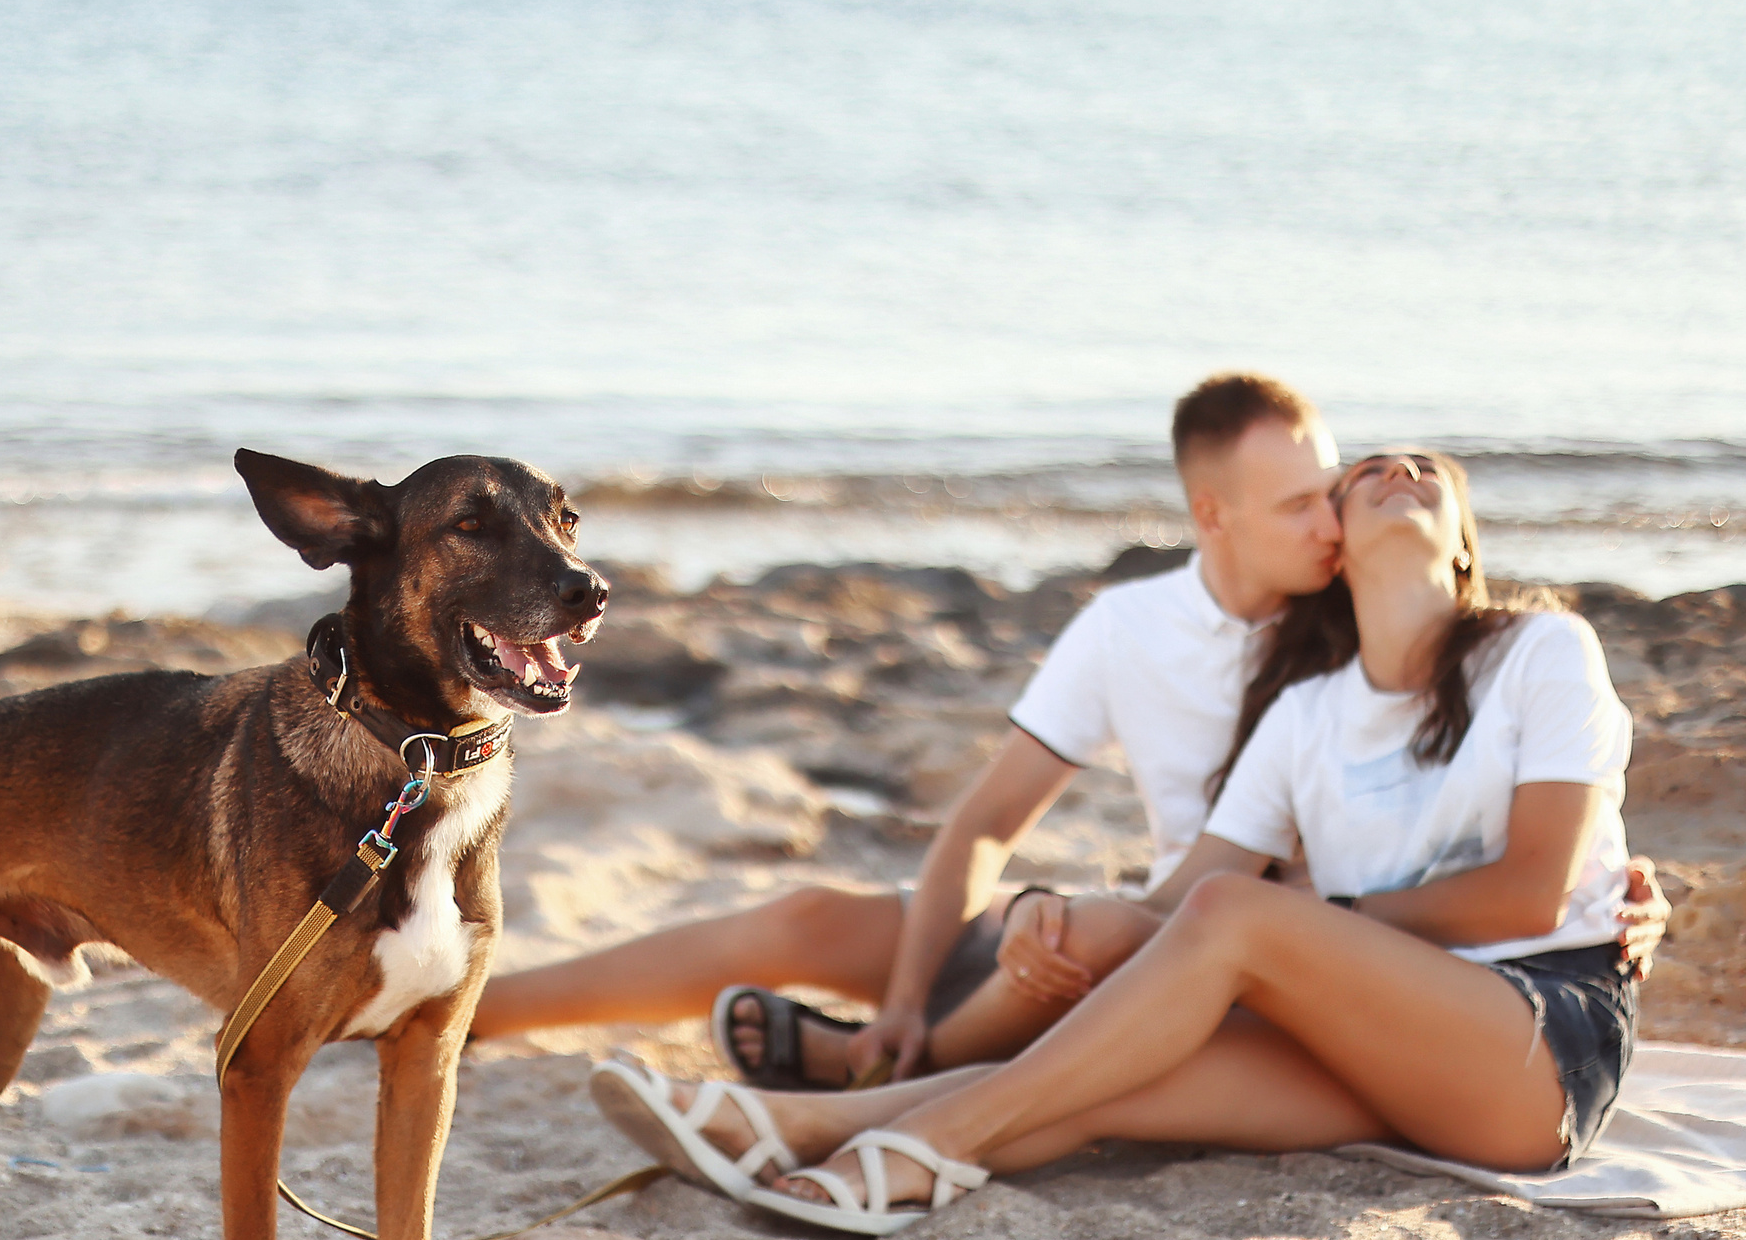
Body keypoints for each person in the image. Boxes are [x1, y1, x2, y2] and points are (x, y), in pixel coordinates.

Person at [591, 450, 1643, 1233]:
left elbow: (1530, 896)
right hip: (1375, 1046)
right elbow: (1171, 904)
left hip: (1534, 1044)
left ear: (1463, 540)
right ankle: (809, 1132)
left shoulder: (1540, 651)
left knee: (1234, 920)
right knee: (1115, 1081)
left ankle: (914, 1142)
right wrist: (1055, 912)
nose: (1402, 470)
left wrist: (1313, 930)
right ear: (1332, 551)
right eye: (1369, 470)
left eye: (1430, 473)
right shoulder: (1306, 714)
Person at [471, 373, 1350, 1085]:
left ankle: (883, 1065)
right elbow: (986, 823)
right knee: (814, 918)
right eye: (1299, 505)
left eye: (1332, 495)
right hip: (1131, 929)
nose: (1331, 525)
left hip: (1218, 956)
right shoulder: (1132, 627)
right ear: (1211, 515)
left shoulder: (1359, 626)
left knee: (1074, 936)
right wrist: (902, 994)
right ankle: (468, 1011)